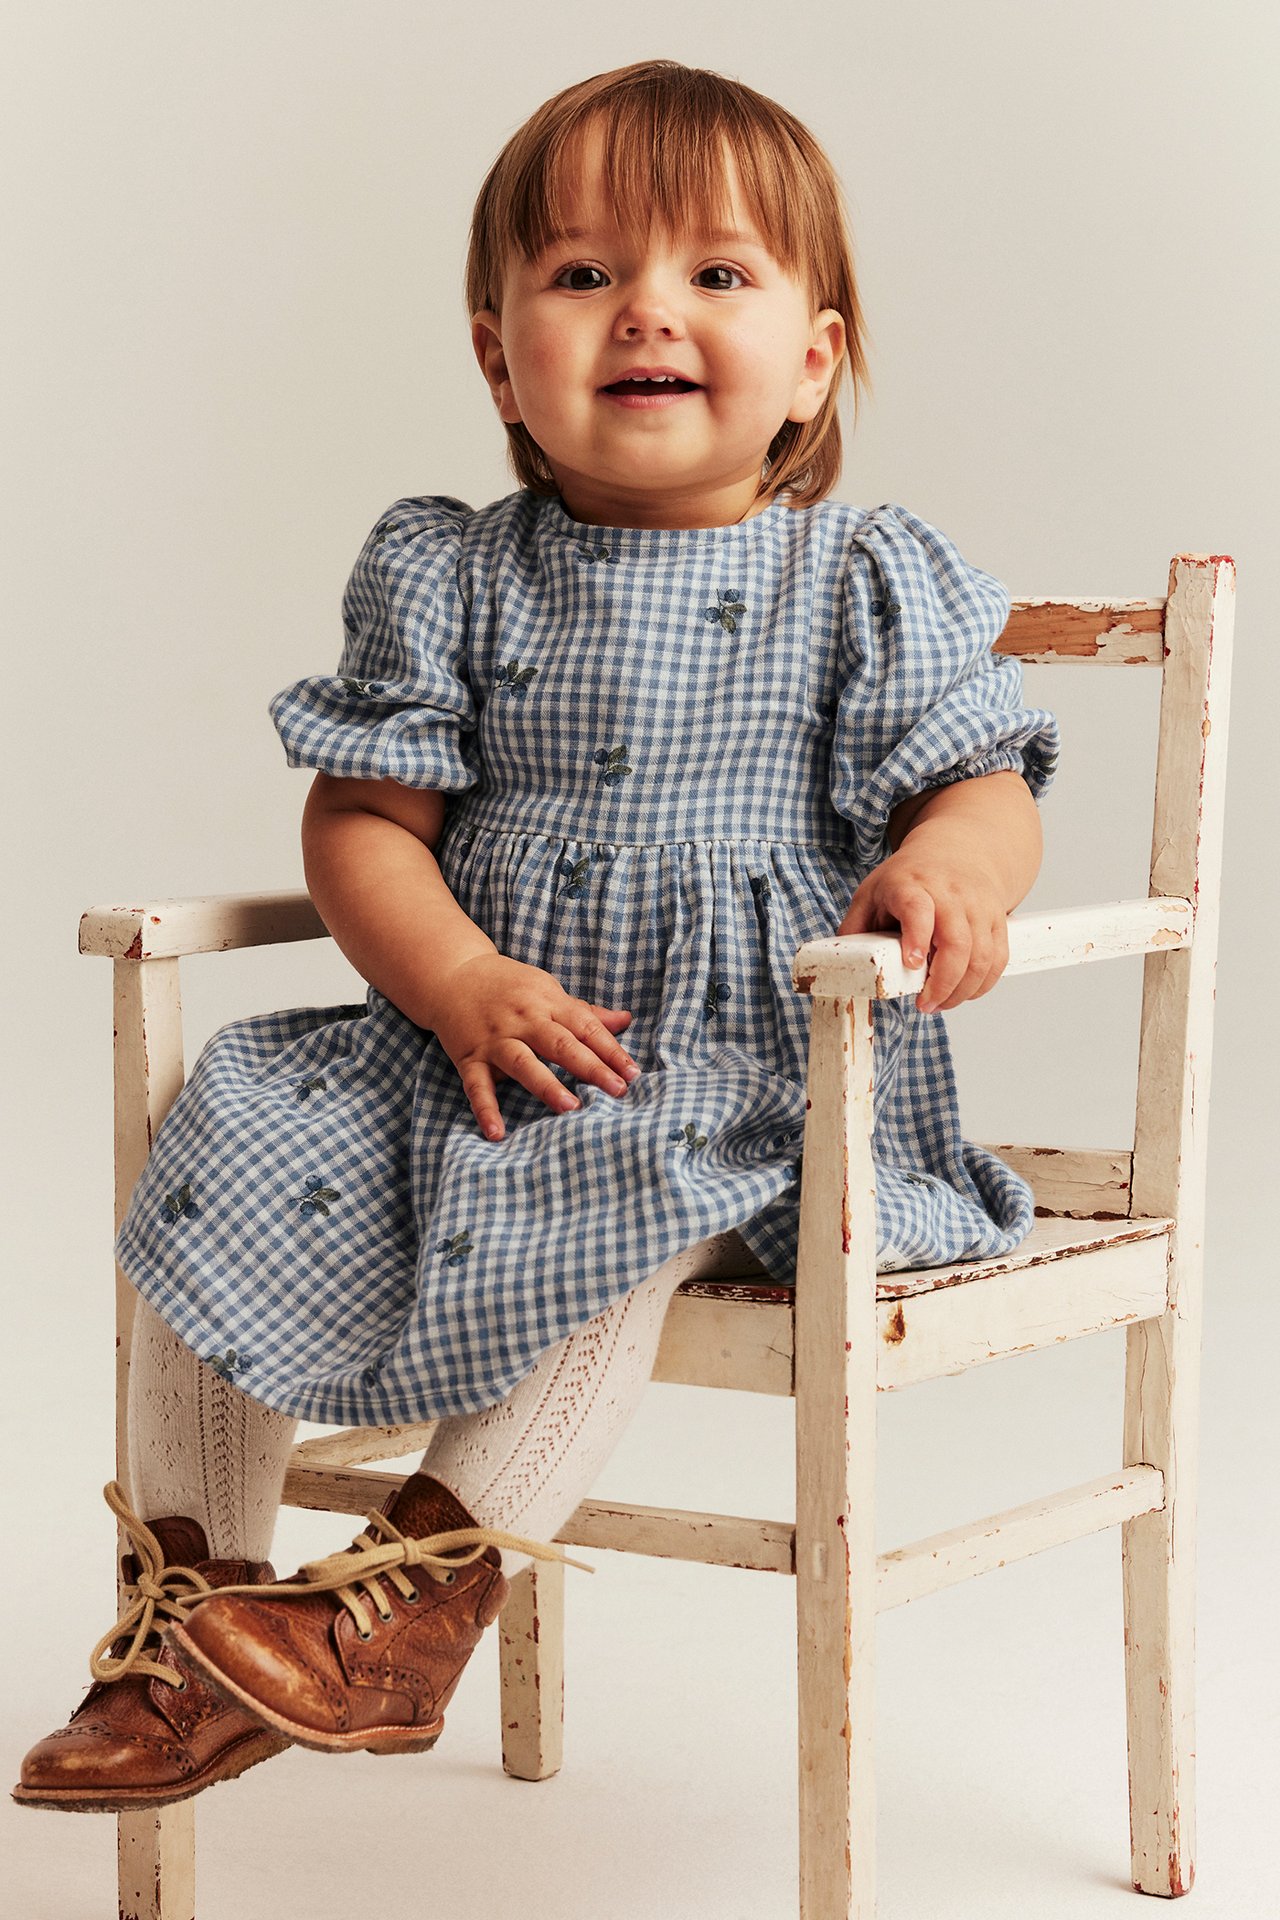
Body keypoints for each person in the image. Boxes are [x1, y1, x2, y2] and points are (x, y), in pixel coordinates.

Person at [15, 58, 1059, 1812]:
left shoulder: (860, 577)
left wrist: (958, 866)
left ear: (813, 358)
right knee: (232, 1133)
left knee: (622, 1184)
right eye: (583, 275)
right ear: (502, 356)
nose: (648, 308)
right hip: (468, 1040)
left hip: (732, 1074)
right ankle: (191, 1626)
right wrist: (453, 977)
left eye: (718, 274)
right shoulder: (454, 570)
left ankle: (406, 1610)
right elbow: (364, 822)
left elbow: (983, 780)